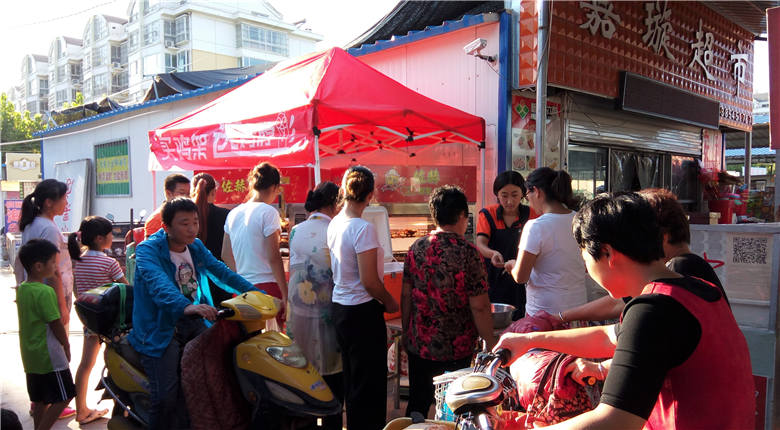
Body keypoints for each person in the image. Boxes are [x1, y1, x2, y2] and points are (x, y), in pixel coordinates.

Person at [494, 193, 754, 429]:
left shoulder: (653, 310)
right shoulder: (696, 289)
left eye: (585, 258)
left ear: (607, 253)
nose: (587, 269)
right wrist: (529, 341)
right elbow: (611, 336)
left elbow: (615, 420)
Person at [129, 198, 257, 429]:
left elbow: (221, 271)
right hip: (159, 328)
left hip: (191, 320)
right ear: (166, 227)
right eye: (184, 223)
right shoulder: (148, 250)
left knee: (211, 380)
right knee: (166, 397)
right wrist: (185, 306)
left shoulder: (195, 246)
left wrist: (256, 293)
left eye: (195, 222)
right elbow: (157, 282)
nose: (191, 229)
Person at [552, 188, 728, 325]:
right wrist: (560, 318)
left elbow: (619, 307)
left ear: (661, 236)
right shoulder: (687, 267)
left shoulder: (676, 272)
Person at [402, 185, 497, 418]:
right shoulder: (469, 252)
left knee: (418, 401)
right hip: (457, 347)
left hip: (420, 343)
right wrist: (491, 342)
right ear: (463, 216)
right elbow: (480, 305)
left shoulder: (416, 249)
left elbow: (406, 295)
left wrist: (407, 332)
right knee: (455, 405)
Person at [327, 166, 399, 430]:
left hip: (341, 308)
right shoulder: (362, 228)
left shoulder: (335, 222)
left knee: (353, 379)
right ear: (370, 194)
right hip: (361, 312)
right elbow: (369, 281)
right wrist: (390, 302)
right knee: (368, 383)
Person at [16, 179, 76, 419]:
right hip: (51, 295)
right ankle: (52, 400)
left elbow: (25, 261)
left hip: (33, 292)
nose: (66, 202)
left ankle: (40, 400)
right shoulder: (48, 228)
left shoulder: (32, 224)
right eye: (63, 198)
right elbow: (54, 271)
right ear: (50, 202)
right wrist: (62, 306)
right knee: (54, 350)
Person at [287, 181, 343, 430]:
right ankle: (331, 422)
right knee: (332, 374)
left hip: (299, 310)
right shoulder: (334, 229)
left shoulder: (296, 230)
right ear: (334, 204)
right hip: (327, 309)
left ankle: (307, 422)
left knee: (304, 369)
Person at [67, 216, 128, 424]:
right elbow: (125, 289)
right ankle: (123, 410)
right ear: (101, 238)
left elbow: (76, 291)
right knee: (119, 363)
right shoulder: (109, 262)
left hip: (90, 321)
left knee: (85, 364)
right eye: (112, 234)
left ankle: (81, 410)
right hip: (113, 324)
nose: (114, 237)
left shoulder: (77, 260)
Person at [504, 167, 587, 316]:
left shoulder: (536, 226)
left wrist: (511, 265)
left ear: (537, 191)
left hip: (544, 313)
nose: (528, 202)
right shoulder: (580, 220)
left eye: (527, 195)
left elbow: (521, 276)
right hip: (578, 310)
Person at [223, 162, 288, 328]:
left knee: (248, 346)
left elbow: (225, 254)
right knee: (272, 345)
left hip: (240, 289)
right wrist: (285, 293)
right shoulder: (268, 212)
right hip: (267, 287)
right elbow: (273, 257)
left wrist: (241, 276)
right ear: (275, 187)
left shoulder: (233, 213)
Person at [475, 171, 537, 315]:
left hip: (524, 277)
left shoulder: (533, 214)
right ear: (497, 194)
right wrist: (492, 253)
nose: (509, 201)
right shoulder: (487, 214)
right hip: (494, 277)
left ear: (523, 193)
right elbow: (481, 243)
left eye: (515, 195)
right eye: (504, 195)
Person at [191, 173, 233, 304]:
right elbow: (228, 252)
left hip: (190, 276)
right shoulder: (226, 215)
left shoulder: (186, 215)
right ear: (214, 192)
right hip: (219, 277)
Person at [144, 173, 191, 238]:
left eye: (189, 194)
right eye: (182, 193)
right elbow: (150, 246)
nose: (187, 197)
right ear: (168, 193)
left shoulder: (189, 214)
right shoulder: (156, 219)